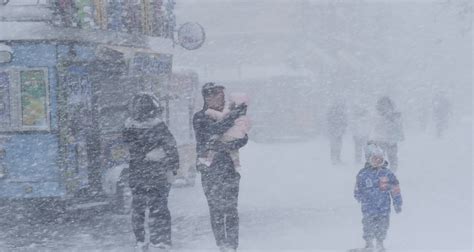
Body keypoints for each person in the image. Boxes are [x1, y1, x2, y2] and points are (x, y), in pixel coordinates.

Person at [193, 83, 248, 252]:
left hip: (229, 168)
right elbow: (212, 130)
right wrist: (232, 117)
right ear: (208, 97)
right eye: (218, 95)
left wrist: (230, 142)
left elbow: (243, 137)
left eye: (223, 95)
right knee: (216, 209)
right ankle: (222, 244)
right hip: (209, 169)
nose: (222, 98)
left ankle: (231, 245)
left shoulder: (226, 114)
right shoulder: (200, 117)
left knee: (231, 208)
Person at [123, 93, 179, 251]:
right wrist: (172, 167)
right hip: (157, 175)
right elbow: (171, 148)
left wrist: (144, 156)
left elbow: (133, 150)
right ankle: (160, 241)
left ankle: (141, 241)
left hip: (137, 174)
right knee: (159, 208)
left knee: (138, 210)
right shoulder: (159, 127)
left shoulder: (128, 128)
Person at [354, 144, 403, 252]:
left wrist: (397, 202)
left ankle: (380, 243)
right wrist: (359, 195)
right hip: (368, 207)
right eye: (374, 159)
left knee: (383, 225)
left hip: (383, 207)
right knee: (368, 224)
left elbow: (395, 189)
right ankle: (369, 243)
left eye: (380, 159)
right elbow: (358, 187)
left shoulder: (387, 174)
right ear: (369, 159)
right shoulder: (363, 174)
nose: (377, 161)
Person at [200, 92, 251, 171]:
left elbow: (220, 126)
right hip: (220, 168)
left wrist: (227, 145)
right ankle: (237, 164)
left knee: (214, 144)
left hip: (225, 168)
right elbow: (245, 133)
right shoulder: (240, 114)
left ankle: (207, 159)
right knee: (234, 152)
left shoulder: (230, 114)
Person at [371, 97, 404, 172]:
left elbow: (399, 126)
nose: (385, 107)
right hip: (381, 139)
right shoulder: (377, 115)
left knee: (392, 158)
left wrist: (393, 118)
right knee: (379, 159)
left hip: (390, 139)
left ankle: (391, 174)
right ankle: (380, 174)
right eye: (383, 104)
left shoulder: (395, 115)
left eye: (386, 104)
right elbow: (375, 126)